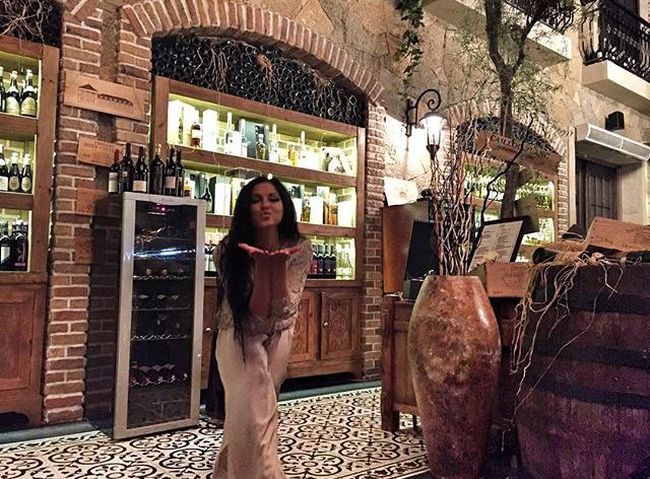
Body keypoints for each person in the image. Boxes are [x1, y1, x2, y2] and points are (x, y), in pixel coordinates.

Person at [212, 175, 312, 479]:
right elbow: (252, 318)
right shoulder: (228, 250)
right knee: (256, 416)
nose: (265, 205)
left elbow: (283, 310)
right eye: (256, 200)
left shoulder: (299, 248)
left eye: (273, 198)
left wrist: (276, 267)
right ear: (246, 208)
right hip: (238, 336)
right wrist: (262, 266)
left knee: (249, 416)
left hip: (280, 335)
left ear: (284, 205)